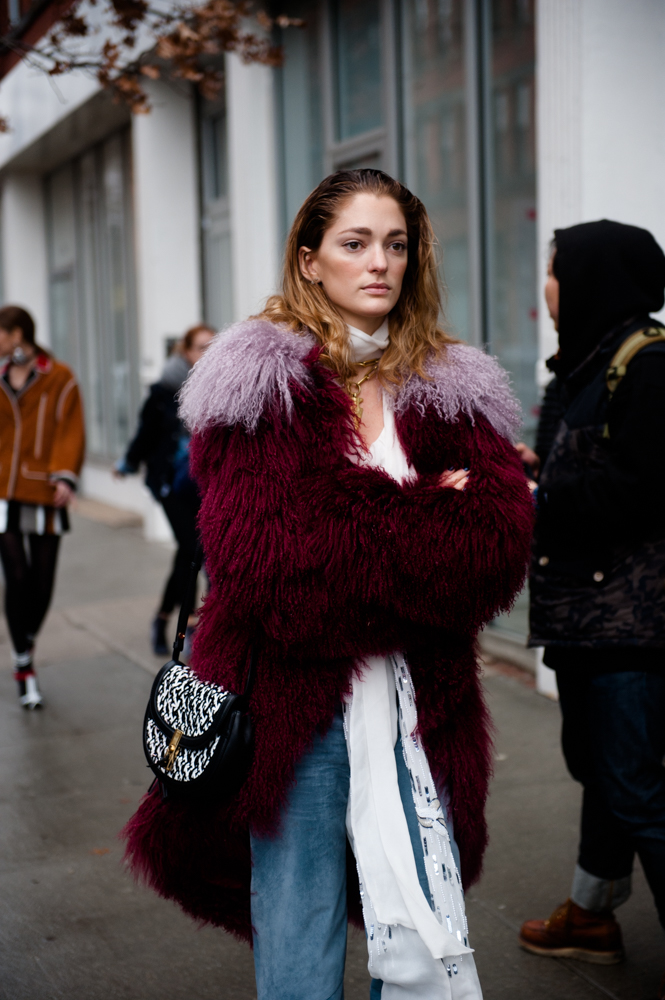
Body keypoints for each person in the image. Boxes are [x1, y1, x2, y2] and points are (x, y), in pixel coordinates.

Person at [124, 169, 533, 999]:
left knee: (420, 920)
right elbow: (269, 572)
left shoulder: (453, 383)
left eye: (396, 244)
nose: (378, 262)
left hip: (423, 703)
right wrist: (425, 514)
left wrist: (348, 535)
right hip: (289, 707)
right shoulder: (256, 383)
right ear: (310, 260)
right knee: (299, 925)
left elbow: (495, 546)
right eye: (354, 244)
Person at [518, 221, 665, 994]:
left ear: (590, 279)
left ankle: (593, 913)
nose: (545, 287)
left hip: (631, 625)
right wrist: (535, 470)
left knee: (638, 788)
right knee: (604, 772)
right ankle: (591, 914)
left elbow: (640, 489)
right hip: (584, 615)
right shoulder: (584, 366)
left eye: (553, 272)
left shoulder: (649, 366)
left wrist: (539, 494)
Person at [0, 305, 85, 709]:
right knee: (15, 576)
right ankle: (23, 663)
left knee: (41, 581)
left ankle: (26, 637)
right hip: (2, 492)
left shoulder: (60, 377)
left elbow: (71, 428)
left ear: (17, 334)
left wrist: (64, 474)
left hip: (45, 490)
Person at [115, 325, 215, 655]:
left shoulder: (220, 385)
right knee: (191, 550)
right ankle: (179, 623)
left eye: (212, 346)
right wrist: (128, 462)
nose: (207, 352)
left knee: (199, 554)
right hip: (171, 484)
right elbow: (146, 433)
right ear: (185, 351)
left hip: (205, 483)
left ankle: (175, 621)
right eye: (201, 347)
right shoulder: (164, 390)